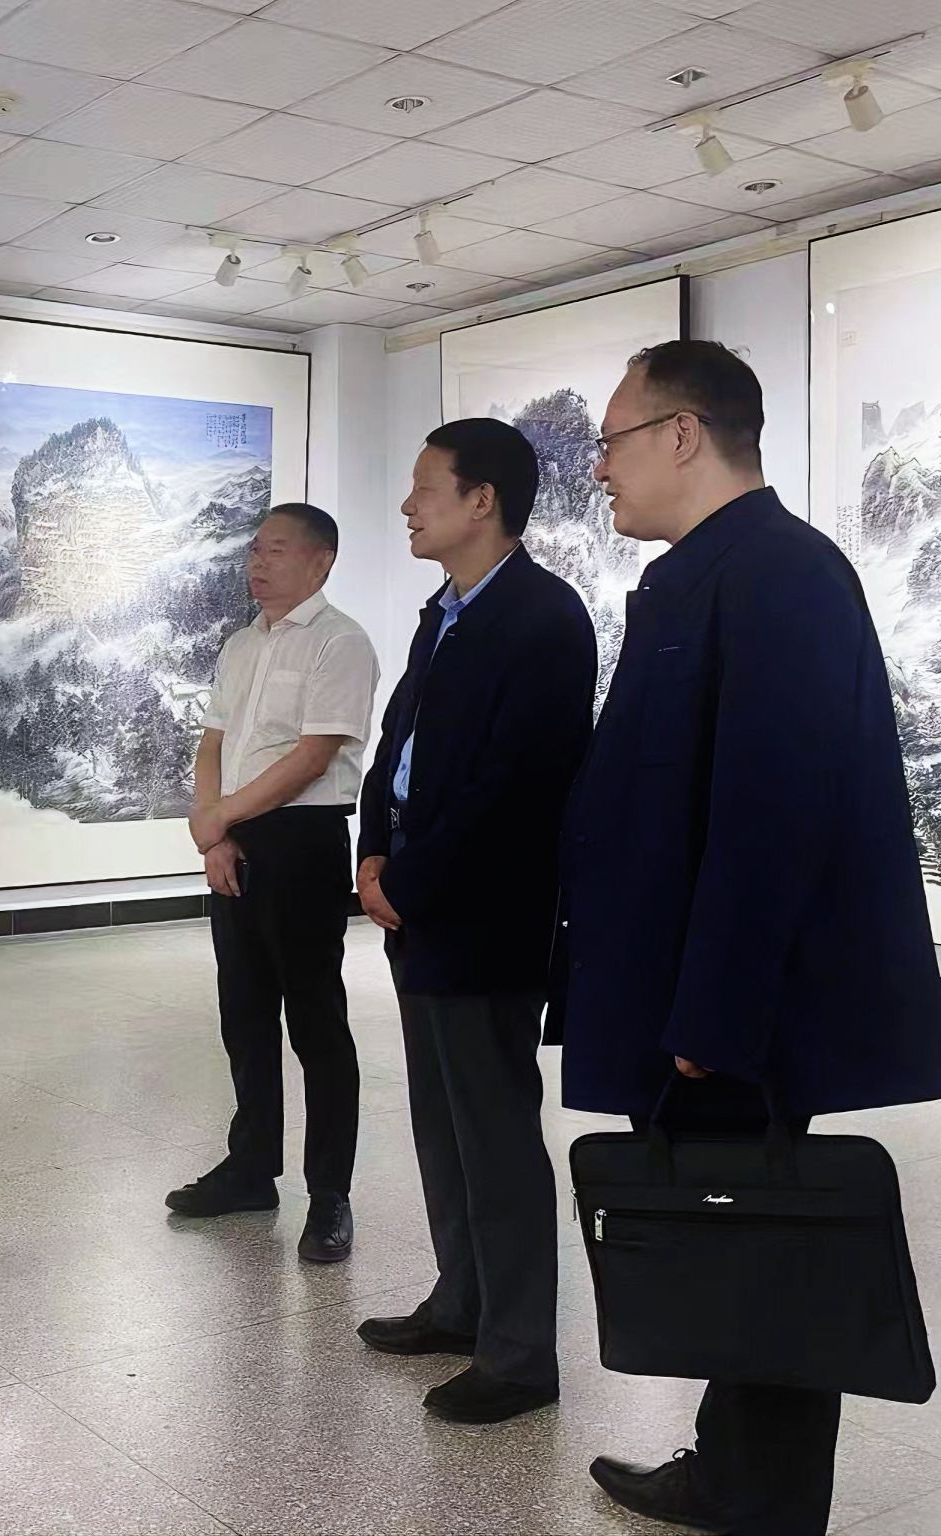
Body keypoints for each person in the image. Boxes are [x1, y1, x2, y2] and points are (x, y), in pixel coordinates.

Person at [561, 341, 941, 1534]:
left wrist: (714, 1014)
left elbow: (771, 811)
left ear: (680, 433)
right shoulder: (714, 570)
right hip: (694, 991)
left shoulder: (778, 572)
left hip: (735, 1008)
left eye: (611, 441)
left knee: (763, 1239)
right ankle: (727, 1470)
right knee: (733, 1236)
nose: (598, 469)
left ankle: (762, 1503)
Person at [354, 419, 596, 1425]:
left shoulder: (544, 619)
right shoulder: (443, 612)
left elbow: (515, 788)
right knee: (440, 1123)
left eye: (425, 487)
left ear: (481, 499)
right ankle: (460, 1304)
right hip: (416, 902)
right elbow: (395, 746)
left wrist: (410, 880)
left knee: (493, 1133)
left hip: (484, 915)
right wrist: (372, 850)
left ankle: (519, 1355)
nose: (408, 506)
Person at [170, 503, 380, 1265]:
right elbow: (215, 741)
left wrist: (219, 817)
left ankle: (330, 1195)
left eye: (277, 551)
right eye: (255, 551)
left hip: (303, 840)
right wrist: (215, 831)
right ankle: (251, 1168)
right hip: (237, 837)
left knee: (316, 1022)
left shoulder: (340, 642)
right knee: (245, 1013)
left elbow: (314, 755)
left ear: (321, 561)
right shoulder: (241, 643)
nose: (257, 564)